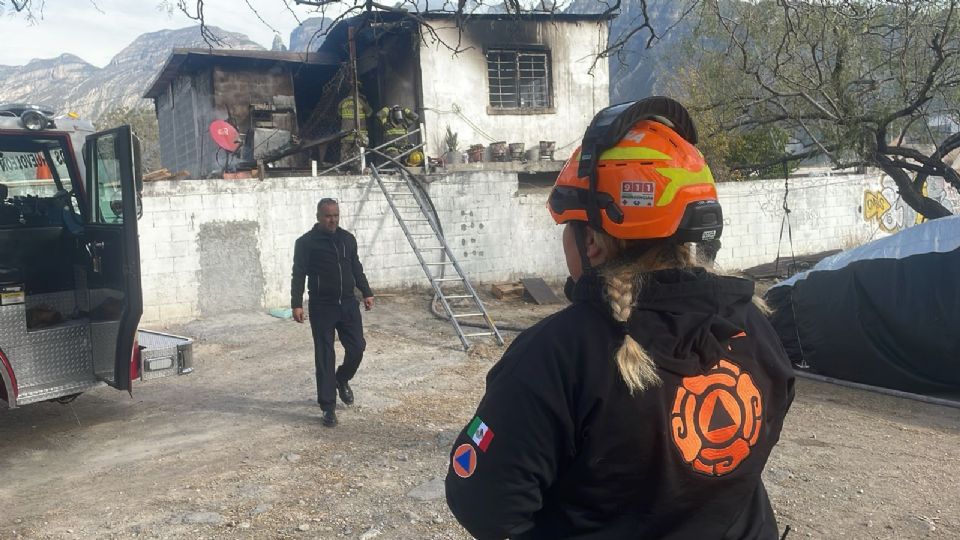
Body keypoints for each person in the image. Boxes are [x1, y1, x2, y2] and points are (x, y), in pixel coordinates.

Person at [445, 97, 795, 539]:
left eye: (567, 228)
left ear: (592, 241)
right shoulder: (755, 324)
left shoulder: (558, 355)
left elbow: (484, 503)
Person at [291, 198, 375, 427]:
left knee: (357, 347)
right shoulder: (306, 243)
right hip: (322, 307)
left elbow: (356, 267)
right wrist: (296, 304)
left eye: (336, 215)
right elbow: (298, 274)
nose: (333, 220)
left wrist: (366, 292)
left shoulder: (348, 239)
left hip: (348, 304)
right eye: (328, 216)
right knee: (325, 356)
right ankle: (328, 407)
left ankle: (342, 379)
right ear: (318, 216)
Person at [337, 85, 373, 173]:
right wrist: (366, 102)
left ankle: (345, 170)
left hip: (346, 134)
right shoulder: (361, 102)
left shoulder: (342, 102)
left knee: (345, 153)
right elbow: (369, 113)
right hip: (359, 134)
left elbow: (339, 115)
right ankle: (358, 170)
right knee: (359, 153)